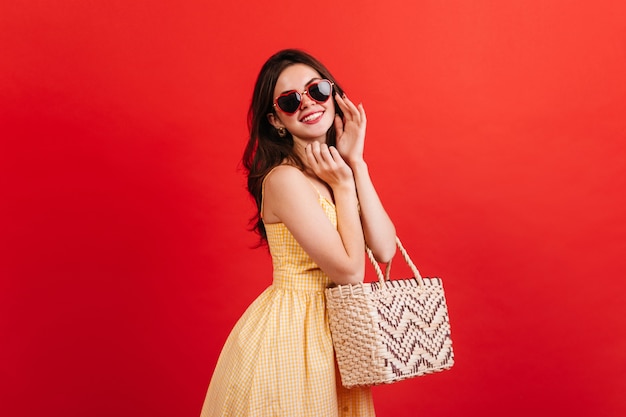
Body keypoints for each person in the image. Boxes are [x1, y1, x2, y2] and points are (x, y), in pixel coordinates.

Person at [200, 49, 396, 417]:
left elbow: (384, 249)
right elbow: (351, 273)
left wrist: (357, 163)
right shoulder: (285, 180)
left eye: (317, 90)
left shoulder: (339, 173)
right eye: (291, 100)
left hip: (337, 333)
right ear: (276, 120)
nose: (308, 103)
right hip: (292, 334)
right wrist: (344, 187)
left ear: (334, 95)